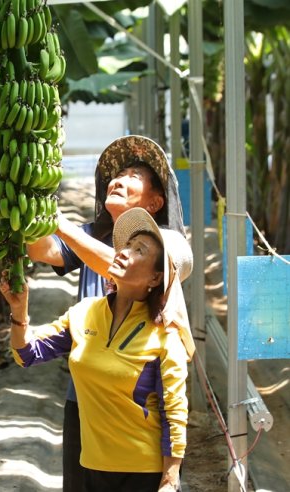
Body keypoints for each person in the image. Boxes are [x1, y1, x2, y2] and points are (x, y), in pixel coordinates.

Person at [27, 135, 190, 492]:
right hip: (86, 391)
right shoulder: (91, 233)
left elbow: (116, 266)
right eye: (117, 175)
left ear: (155, 200)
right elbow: (42, 251)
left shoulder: (162, 246)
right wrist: (27, 203)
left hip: (136, 403)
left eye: (133, 175)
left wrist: (59, 222)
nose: (118, 179)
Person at [0, 207, 194, 492]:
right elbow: (27, 354)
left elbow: (174, 412)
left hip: (144, 472)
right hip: (91, 466)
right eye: (127, 245)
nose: (124, 252)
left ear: (155, 279)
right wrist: (20, 311)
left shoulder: (165, 336)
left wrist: (170, 478)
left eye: (139, 250)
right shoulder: (85, 313)